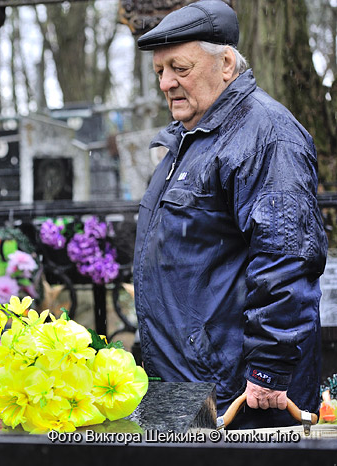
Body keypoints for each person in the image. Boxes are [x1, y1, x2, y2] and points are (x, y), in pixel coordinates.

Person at [133, 0, 327, 429]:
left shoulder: (267, 135)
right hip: (188, 388)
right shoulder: (192, 133)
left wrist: (268, 375)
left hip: (240, 397)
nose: (166, 83)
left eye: (179, 69)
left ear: (225, 63)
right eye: (159, 72)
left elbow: (287, 260)